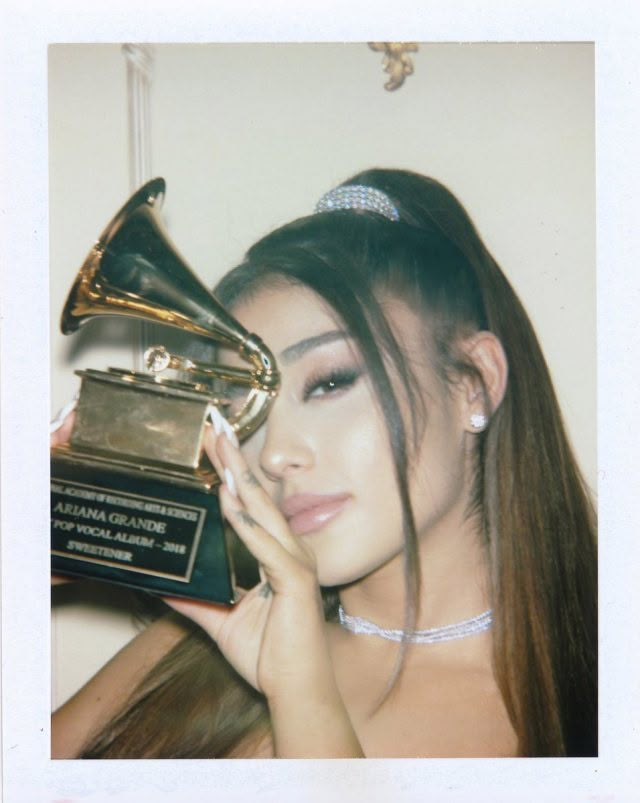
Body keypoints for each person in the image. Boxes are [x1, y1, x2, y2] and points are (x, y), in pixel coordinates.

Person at [51, 168, 597, 759]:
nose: (277, 455)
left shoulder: (595, 710)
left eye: (331, 382)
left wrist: (299, 693)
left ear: (473, 384)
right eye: (245, 409)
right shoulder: (196, 642)